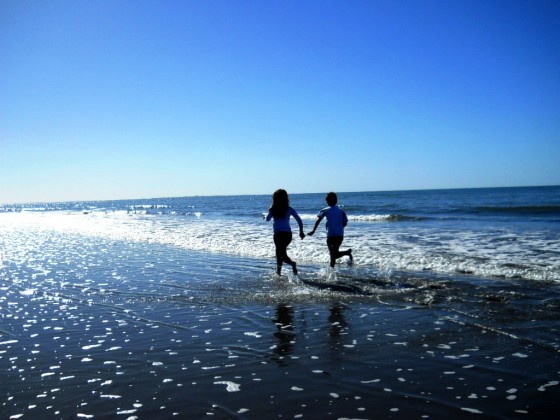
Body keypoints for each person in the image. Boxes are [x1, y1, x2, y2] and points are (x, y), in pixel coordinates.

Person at [265, 189, 305, 275]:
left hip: (278, 235)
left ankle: (290, 264)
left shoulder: (273, 209)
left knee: (280, 254)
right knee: (281, 253)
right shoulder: (289, 209)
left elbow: (267, 219)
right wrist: (301, 232)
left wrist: (265, 216)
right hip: (288, 235)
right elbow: (299, 220)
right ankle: (279, 272)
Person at [308, 192, 353, 268]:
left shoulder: (325, 210)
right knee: (333, 253)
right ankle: (332, 269)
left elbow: (318, 220)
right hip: (340, 235)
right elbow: (345, 223)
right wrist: (338, 227)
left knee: (333, 254)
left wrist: (313, 231)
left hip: (331, 235)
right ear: (336, 201)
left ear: (327, 201)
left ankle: (347, 253)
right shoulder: (341, 211)